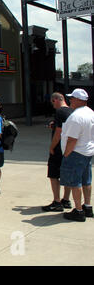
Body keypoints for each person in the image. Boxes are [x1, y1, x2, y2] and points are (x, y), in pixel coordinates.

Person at [60, 88, 94, 222]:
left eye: (72, 98)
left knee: (75, 182)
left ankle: (78, 211)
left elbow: (72, 139)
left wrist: (66, 154)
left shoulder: (76, 117)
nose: (70, 100)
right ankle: (87, 206)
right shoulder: (91, 113)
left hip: (76, 152)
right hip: (88, 152)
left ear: (79, 100)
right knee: (86, 181)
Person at [42, 92, 73, 212]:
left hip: (59, 149)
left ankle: (56, 201)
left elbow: (59, 131)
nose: (52, 105)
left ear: (55, 100)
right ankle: (66, 199)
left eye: (52, 102)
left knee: (54, 175)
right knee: (67, 174)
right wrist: (54, 125)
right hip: (68, 148)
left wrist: (52, 146)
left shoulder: (59, 112)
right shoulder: (71, 111)